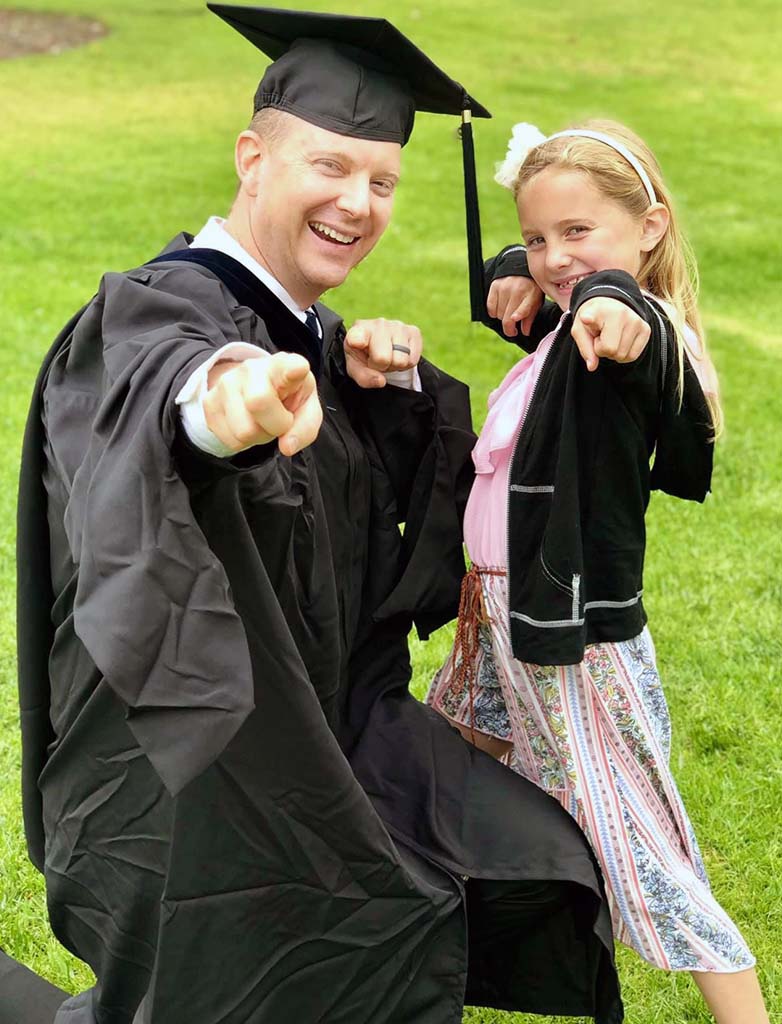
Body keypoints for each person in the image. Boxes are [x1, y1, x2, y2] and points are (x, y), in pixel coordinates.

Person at [9, 9, 628, 1024]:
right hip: (182, 781)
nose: (357, 202)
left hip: (310, 735)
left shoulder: (312, 330)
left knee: (522, 866)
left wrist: (375, 392)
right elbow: (179, 393)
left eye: (380, 180)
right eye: (329, 166)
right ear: (252, 158)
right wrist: (229, 405)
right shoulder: (160, 310)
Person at [427, 118, 771, 1022]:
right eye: (541, 236)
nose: (555, 257)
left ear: (650, 227)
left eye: (577, 232)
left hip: (569, 638)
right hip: (498, 619)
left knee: (641, 843)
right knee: (433, 776)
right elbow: (531, 288)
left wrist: (611, 302)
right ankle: (412, 958)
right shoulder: (559, 327)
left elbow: (622, 320)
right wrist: (518, 261)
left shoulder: (630, 335)